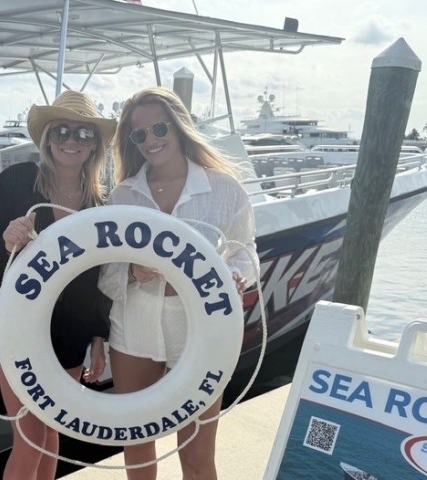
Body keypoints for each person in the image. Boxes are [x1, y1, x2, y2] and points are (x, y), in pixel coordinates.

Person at [98, 86, 259, 480]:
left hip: (199, 332)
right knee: (138, 457)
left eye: (159, 128)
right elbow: (102, 272)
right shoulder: (122, 196)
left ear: (179, 126)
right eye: (139, 135)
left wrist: (235, 275)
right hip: (133, 330)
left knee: (198, 457)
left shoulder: (224, 189)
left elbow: (247, 252)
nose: (151, 140)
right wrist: (132, 273)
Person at [0, 90, 117, 480]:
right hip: (21, 328)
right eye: (63, 131)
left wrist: (98, 339)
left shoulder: (97, 206)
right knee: (30, 440)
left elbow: (96, 280)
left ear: (94, 146)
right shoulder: (14, 183)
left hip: (70, 336)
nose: (72, 141)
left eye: (83, 134)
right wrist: (6, 242)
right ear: (48, 137)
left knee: (51, 433)